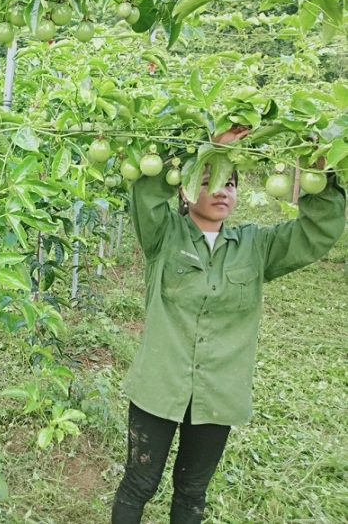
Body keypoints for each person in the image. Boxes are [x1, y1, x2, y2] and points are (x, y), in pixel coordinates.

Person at [112, 127, 346, 523]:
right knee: (139, 483)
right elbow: (147, 192)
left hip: (218, 392)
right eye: (209, 181)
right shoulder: (163, 236)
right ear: (185, 190)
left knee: (192, 491)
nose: (222, 191)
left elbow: (315, 232)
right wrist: (207, 149)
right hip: (159, 384)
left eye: (230, 184)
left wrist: (319, 174)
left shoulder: (257, 246)